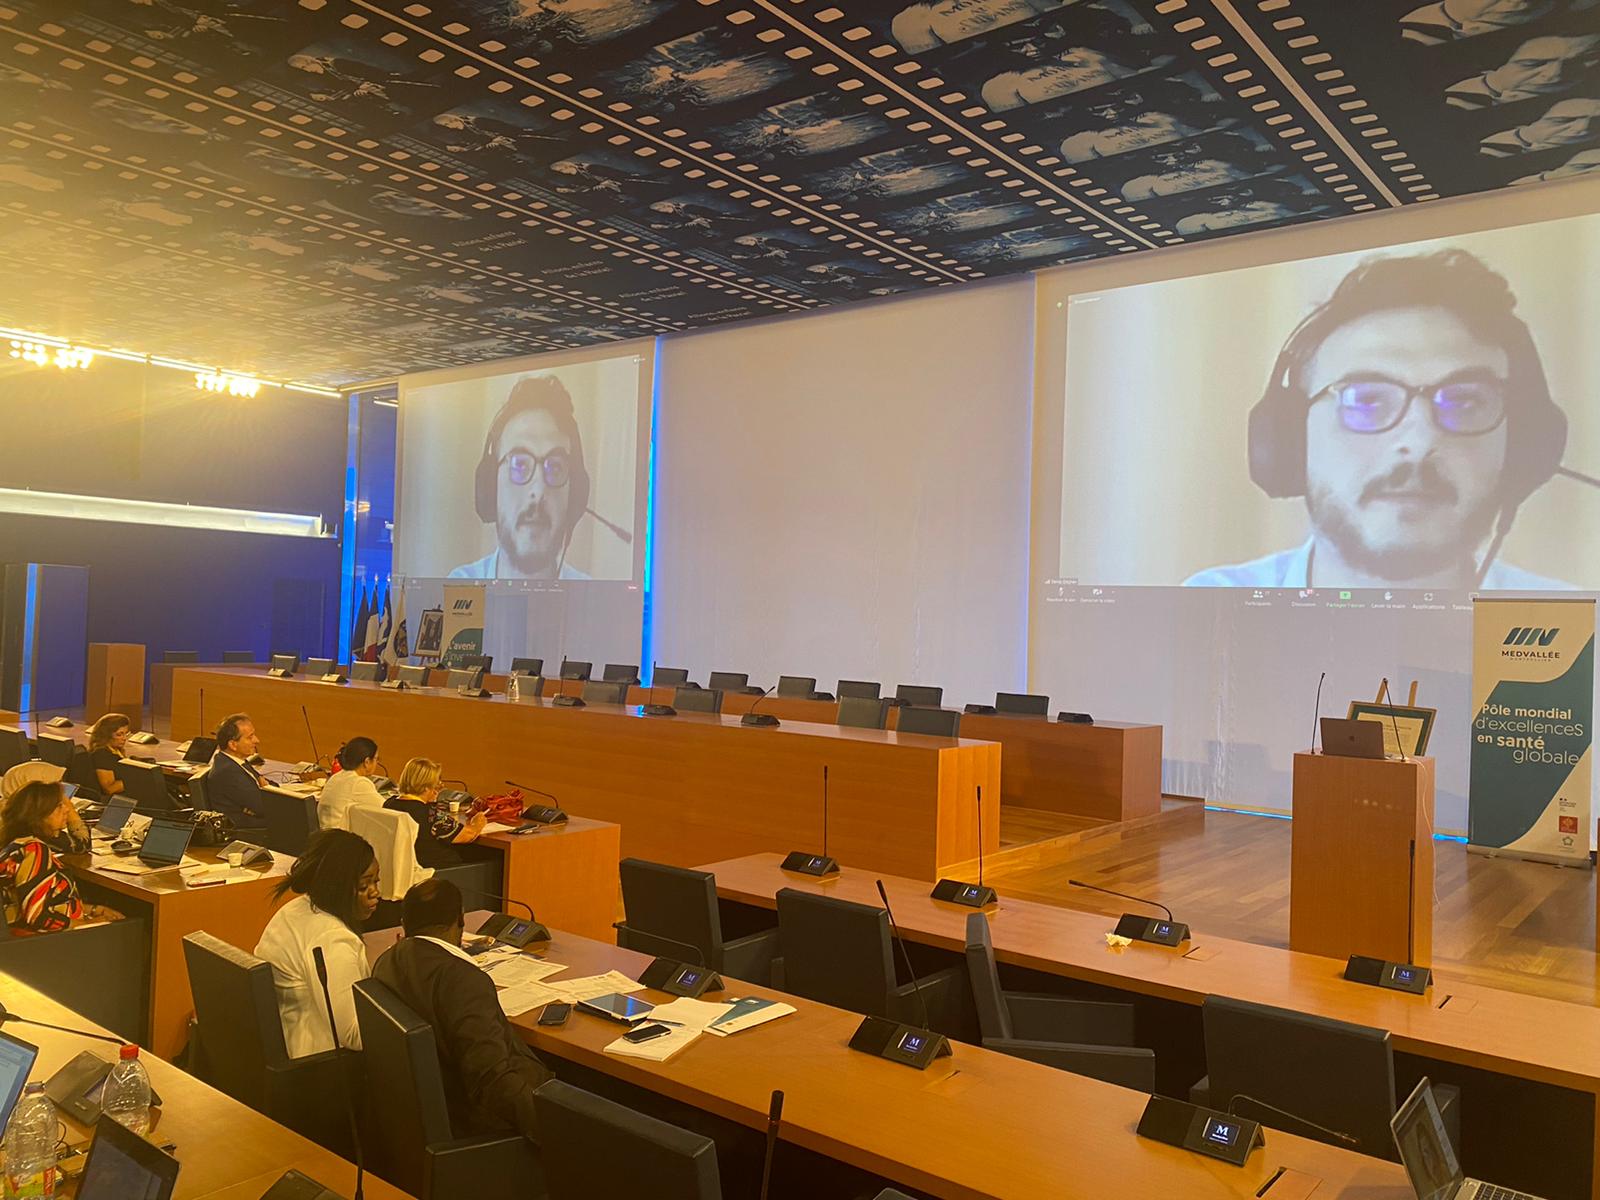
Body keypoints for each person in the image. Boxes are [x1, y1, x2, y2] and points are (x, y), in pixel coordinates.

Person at [1185, 250, 1572, 590]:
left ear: (1521, 445)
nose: (1420, 442)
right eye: (1367, 399)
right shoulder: (1205, 615)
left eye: (1466, 401)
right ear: (1290, 439)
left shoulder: (1581, 630)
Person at [371, 879, 552, 1141]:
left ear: (404, 923)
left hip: (421, 1118)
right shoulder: (464, 980)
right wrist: (556, 1131)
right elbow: (492, 1080)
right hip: (479, 1128)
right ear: (461, 920)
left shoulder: (387, 961)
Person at [448, 375, 593, 581]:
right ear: (490, 486)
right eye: (520, 464)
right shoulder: (460, 584)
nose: (539, 490)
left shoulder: (591, 594)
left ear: (575, 495)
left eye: (555, 468)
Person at [254, 830, 381, 1057]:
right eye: (364, 886)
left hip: (287, 1041)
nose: (376, 893)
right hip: (319, 1060)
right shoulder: (333, 939)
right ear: (338, 886)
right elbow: (353, 1034)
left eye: (376, 882)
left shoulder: (295, 909)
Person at [0, 767, 119, 932]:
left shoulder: (17, 843)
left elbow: (49, 900)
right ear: (40, 815)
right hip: (50, 944)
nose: (67, 809)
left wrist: (92, 909)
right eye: (59, 806)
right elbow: (36, 916)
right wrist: (83, 924)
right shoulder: (35, 850)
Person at [385, 758, 486, 868]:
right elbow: (468, 835)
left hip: (406, 868)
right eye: (436, 785)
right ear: (425, 788)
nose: (438, 790)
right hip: (440, 872)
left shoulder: (389, 804)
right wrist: (477, 823)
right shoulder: (429, 814)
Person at [1, 762, 89, 855]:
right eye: (59, 805)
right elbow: (82, 845)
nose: (66, 809)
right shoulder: (36, 841)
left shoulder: (14, 825)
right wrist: (72, 813)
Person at [205, 713, 268, 831]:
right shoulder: (228, 771)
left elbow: (270, 785)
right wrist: (265, 790)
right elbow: (263, 807)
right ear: (233, 744)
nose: (257, 740)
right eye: (250, 737)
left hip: (256, 820)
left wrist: (266, 789)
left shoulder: (237, 762)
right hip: (249, 830)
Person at [317, 737, 384, 831]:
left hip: (324, 837)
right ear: (367, 762)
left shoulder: (335, 777)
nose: (377, 763)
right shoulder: (359, 783)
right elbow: (385, 808)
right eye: (377, 759)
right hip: (339, 840)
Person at [88, 712, 131, 798]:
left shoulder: (116, 750)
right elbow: (109, 788)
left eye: (126, 733)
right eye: (119, 734)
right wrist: (137, 780)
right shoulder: (102, 754)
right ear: (106, 735)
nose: (124, 738)